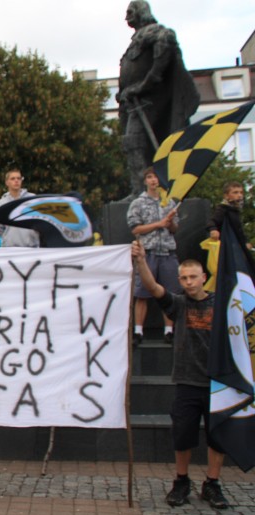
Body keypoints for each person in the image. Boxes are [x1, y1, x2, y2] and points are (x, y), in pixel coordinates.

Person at [131, 240, 229, 509]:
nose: (188, 282)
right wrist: (141, 261)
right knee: (182, 435)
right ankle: (182, 481)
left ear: (204, 277)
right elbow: (152, 288)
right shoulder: (178, 304)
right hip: (186, 382)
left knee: (217, 437)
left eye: (193, 277)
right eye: (183, 278)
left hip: (218, 384)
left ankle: (213, 483)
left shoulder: (222, 306)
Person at [117, 0, 199, 196]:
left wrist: (145, 85)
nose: (126, 17)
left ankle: (143, 190)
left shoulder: (155, 31)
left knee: (134, 141)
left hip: (150, 100)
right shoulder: (136, 39)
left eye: (130, 12)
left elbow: (165, 45)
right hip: (133, 102)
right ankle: (141, 189)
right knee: (134, 144)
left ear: (141, 12)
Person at [127, 167, 179, 346]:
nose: (153, 180)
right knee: (142, 294)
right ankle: (138, 332)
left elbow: (174, 229)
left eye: (156, 177)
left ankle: (169, 331)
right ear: (145, 181)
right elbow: (135, 228)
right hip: (147, 253)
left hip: (167, 252)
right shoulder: (138, 203)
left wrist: (170, 223)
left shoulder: (169, 202)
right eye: (149, 177)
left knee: (170, 293)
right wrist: (159, 224)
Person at [208, 181, 251, 248]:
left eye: (241, 192)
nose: (239, 195)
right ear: (226, 195)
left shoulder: (235, 211)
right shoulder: (223, 208)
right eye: (235, 192)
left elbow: (238, 231)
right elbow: (212, 222)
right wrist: (213, 230)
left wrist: (245, 242)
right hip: (226, 249)